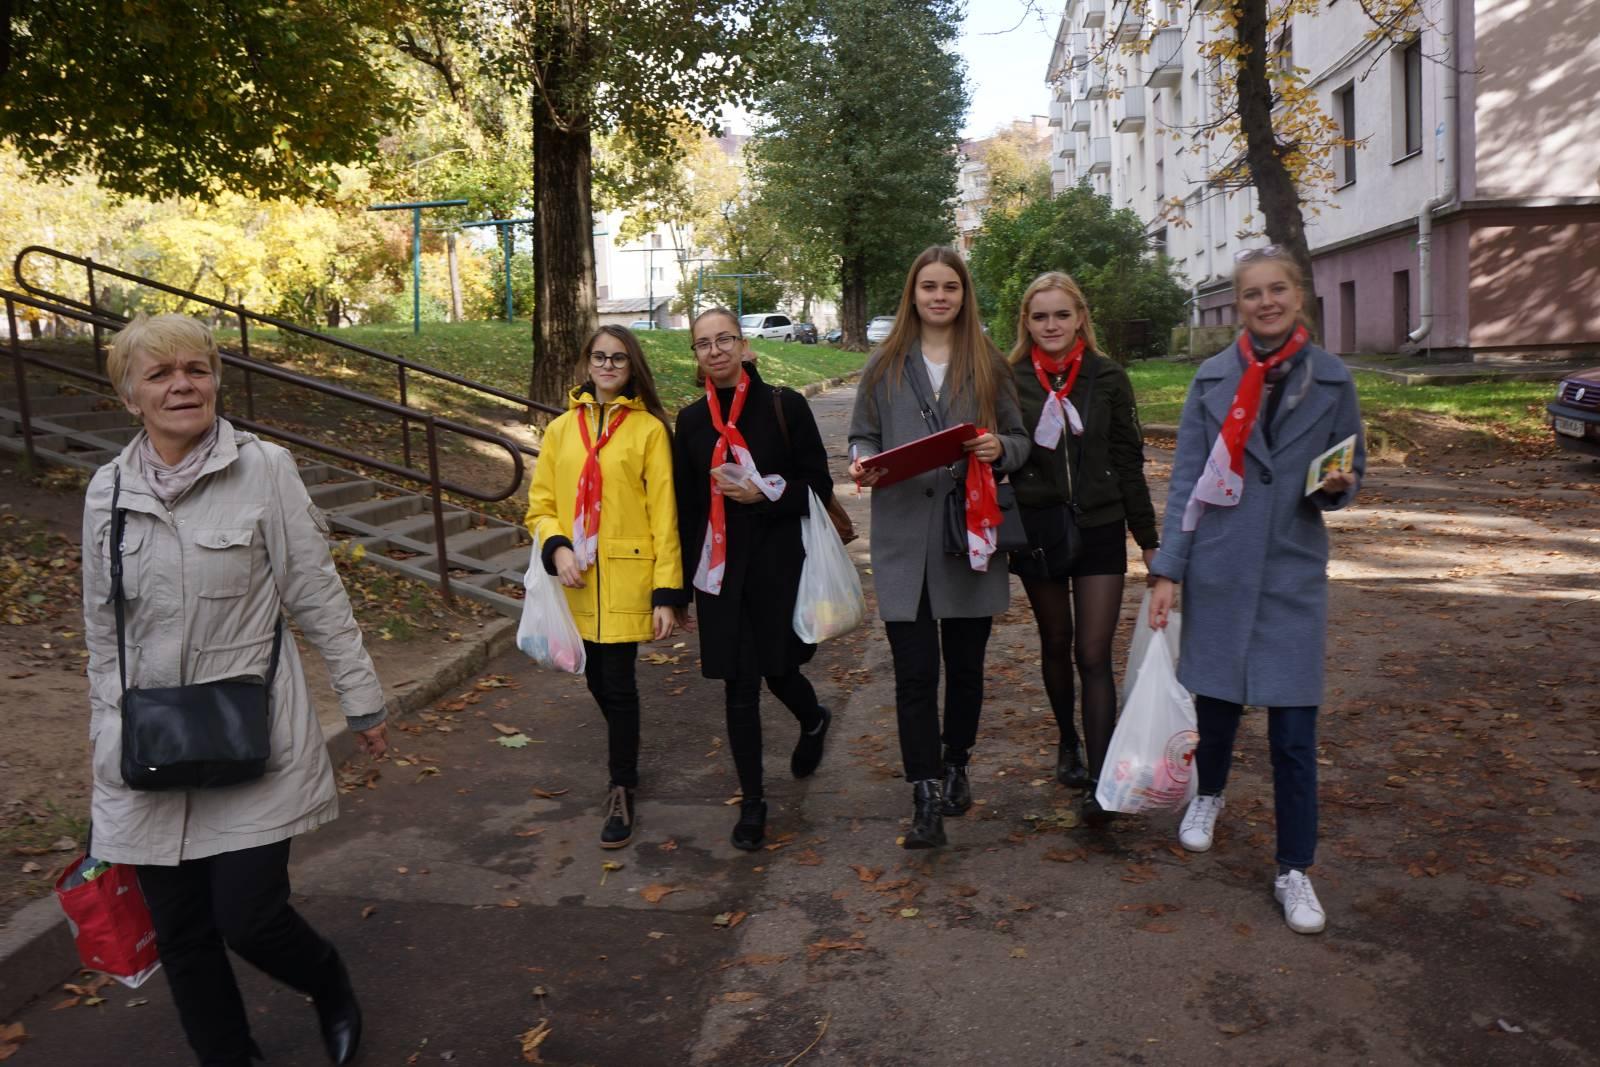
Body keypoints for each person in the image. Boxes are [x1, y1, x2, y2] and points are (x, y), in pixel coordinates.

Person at [81, 314, 389, 1065]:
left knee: (249, 918)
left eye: (196, 368)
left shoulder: (266, 468)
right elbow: (100, 634)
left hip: (252, 730)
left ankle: (328, 981)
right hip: (149, 738)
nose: (182, 384)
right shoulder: (107, 491)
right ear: (130, 396)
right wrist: (106, 740)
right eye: (159, 374)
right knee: (183, 933)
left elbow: (317, 594)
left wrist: (363, 700)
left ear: (216, 378)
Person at [1147, 247, 1364, 935]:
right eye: (1251, 293)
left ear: (1298, 295)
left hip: (1293, 569)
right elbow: (1186, 481)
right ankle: (1207, 792)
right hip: (1221, 564)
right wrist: (1168, 571)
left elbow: (1349, 468)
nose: (1265, 302)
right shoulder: (1212, 378)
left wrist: (1339, 486)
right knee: (1216, 707)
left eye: (1277, 290)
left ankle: (1294, 868)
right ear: (1237, 303)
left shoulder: (1332, 380)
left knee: (1294, 733)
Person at [848, 246, 1030, 849]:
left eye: (950, 286)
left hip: (967, 533)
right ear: (913, 293)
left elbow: (1021, 439)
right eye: (928, 286)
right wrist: (861, 461)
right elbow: (862, 434)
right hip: (903, 536)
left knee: (967, 667)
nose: (939, 296)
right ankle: (923, 794)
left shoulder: (989, 364)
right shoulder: (883, 365)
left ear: (963, 293)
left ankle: (957, 764)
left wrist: (999, 448)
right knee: (915, 673)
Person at [673, 307, 835, 851]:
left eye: (725, 340)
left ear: (745, 347)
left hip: (776, 564)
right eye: (703, 343)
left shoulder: (783, 406)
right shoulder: (692, 421)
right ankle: (754, 802)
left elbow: (815, 482)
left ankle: (813, 720)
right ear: (695, 355)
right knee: (738, 688)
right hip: (719, 573)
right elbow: (687, 507)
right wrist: (678, 588)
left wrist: (764, 492)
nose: (715, 350)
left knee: (780, 670)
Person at [1006, 272, 1159, 826]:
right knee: (1056, 640)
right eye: (1040, 316)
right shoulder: (1009, 378)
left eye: (1061, 315)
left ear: (1079, 319)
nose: (1051, 325)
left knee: (1093, 654)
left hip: (1100, 526)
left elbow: (1130, 462)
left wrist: (1149, 539)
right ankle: (1067, 741)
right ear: (1027, 321)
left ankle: (1101, 779)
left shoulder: (1108, 376)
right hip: (1038, 528)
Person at [525, 325, 681, 849]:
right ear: (587, 364)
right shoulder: (561, 430)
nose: (609, 365)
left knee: (618, 685)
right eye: (600, 357)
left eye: (618, 358)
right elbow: (541, 505)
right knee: (595, 681)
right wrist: (557, 546)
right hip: (575, 578)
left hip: (626, 579)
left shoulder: (649, 432)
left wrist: (666, 594)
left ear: (632, 366)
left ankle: (622, 784)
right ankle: (625, 760)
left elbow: (665, 516)